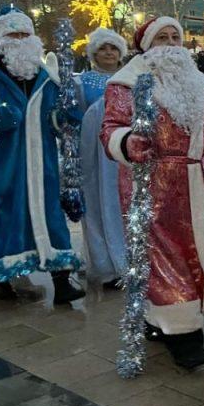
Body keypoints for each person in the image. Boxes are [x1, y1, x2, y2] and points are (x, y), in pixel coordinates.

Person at [102, 16, 204, 369]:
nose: (172, 41)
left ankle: (157, 320)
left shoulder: (195, 81)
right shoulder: (127, 83)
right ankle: (185, 336)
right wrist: (128, 143)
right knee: (161, 254)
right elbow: (112, 128)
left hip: (195, 183)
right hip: (151, 183)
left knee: (191, 253)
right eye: (163, 36)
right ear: (146, 46)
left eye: (176, 35)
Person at [0, 9, 84, 304]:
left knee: (50, 220)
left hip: (41, 168)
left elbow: (59, 120)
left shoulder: (47, 77)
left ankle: (61, 281)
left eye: (25, 34)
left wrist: (64, 117)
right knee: (0, 222)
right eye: (13, 35)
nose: (20, 41)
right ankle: (1, 278)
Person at [78, 28, 129, 289]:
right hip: (94, 156)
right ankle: (105, 266)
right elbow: (75, 119)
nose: (109, 53)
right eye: (103, 48)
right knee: (97, 204)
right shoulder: (82, 83)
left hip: (124, 155)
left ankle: (128, 262)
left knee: (124, 206)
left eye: (113, 48)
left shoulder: (131, 79)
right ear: (93, 53)